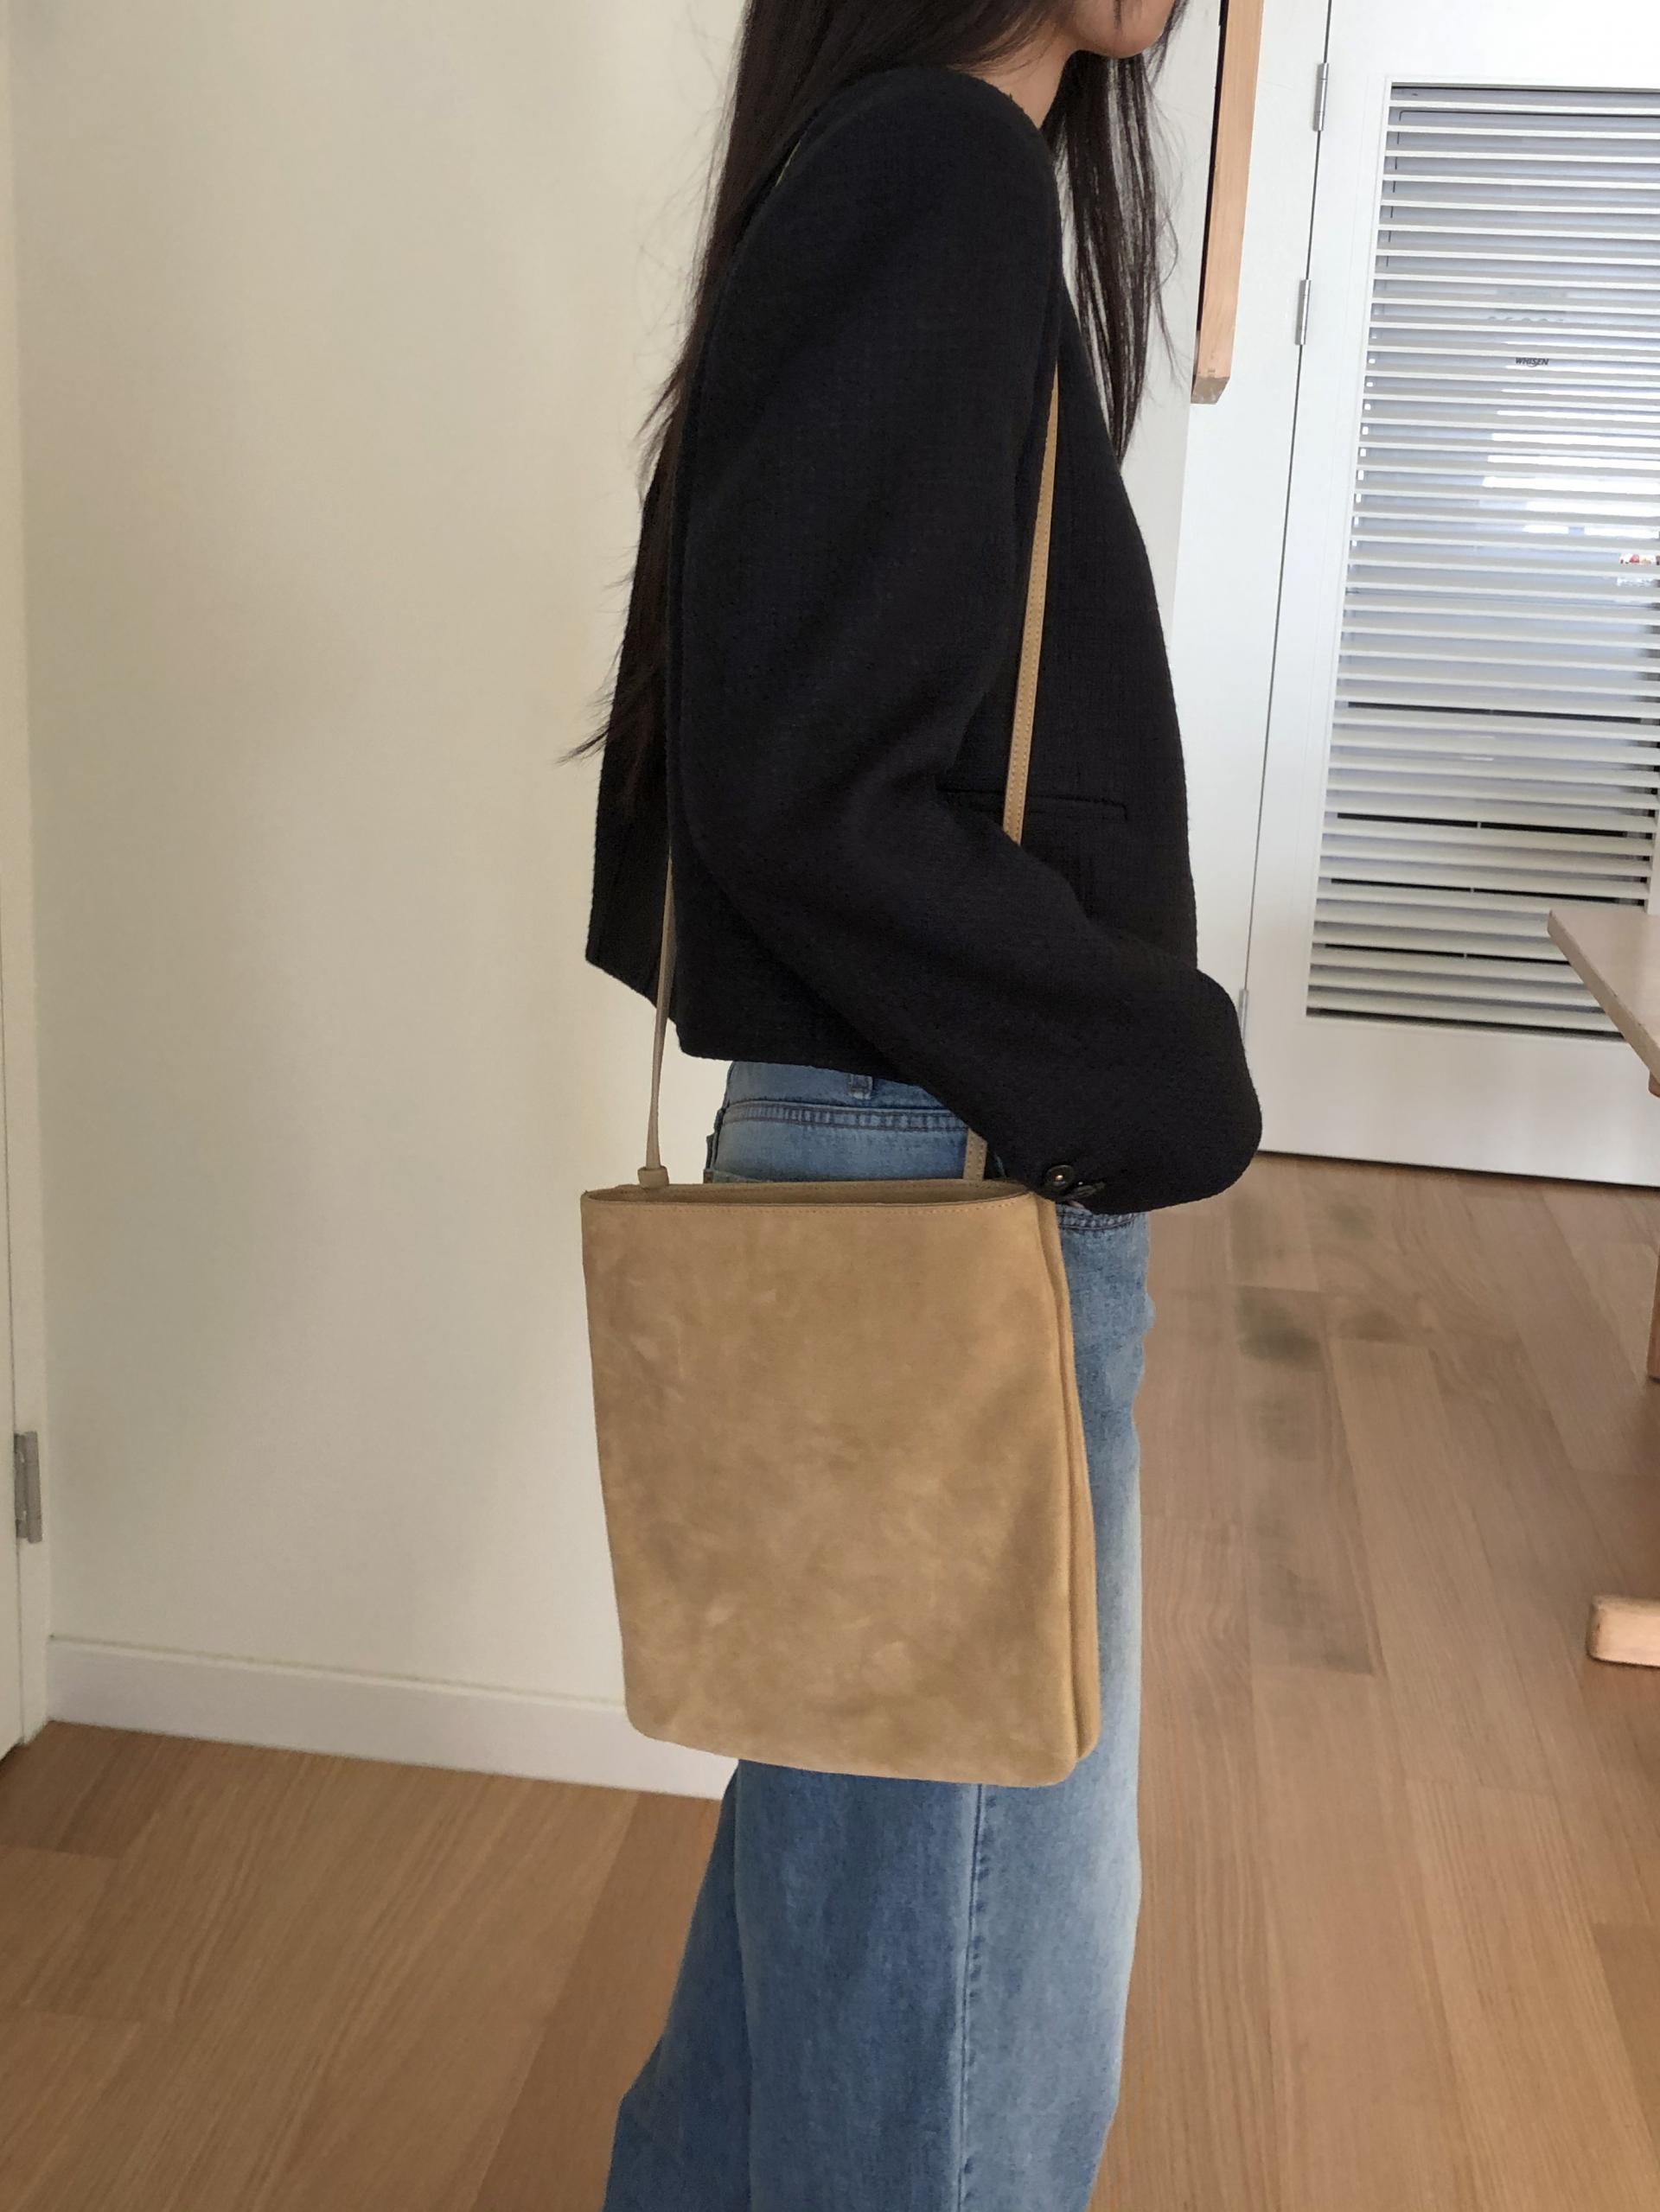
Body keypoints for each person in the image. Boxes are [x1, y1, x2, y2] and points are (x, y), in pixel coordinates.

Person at [580, 4, 1261, 2206]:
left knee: (841, 1966)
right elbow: (810, 787)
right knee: (958, 2046)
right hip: (943, 1174)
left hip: (892, 1165)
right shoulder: (932, 171)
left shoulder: (904, 170)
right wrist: (1160, 1063)